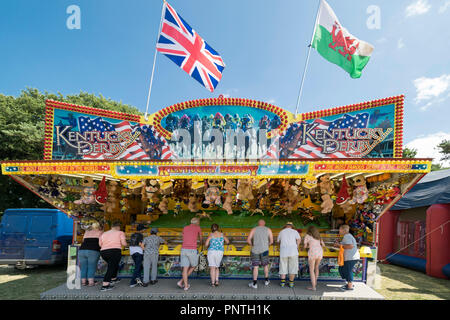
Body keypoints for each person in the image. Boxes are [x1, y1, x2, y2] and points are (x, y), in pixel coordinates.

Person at [99, 221, 127, 291]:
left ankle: (113, 278)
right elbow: (124, 243)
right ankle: (105, 285)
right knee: (111, 267)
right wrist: (127, 244)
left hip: (103, 252)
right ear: (118, 227)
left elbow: (100, 244)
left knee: (114, 265)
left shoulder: (104, 233)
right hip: (114, 251)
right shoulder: (120, 233)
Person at [177, 218, 203, 291]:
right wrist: (201, 244)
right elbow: (201, 238)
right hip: (192, 249)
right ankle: (181, 281)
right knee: (194, 266)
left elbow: (184, 237)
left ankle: (185, 286)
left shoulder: (185, 228)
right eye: (199, 222)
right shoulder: (198, 228)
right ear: (197, 222)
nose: (199, 223)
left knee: (185, 268)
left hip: (184, 249)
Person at [247, 219, 273, 289]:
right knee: (265, 265)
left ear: (258, 224)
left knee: (256, 267)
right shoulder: (268, 229)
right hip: (265, 250)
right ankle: (267, 281)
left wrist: (252, 245)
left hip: (255, 250)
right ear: (264, 224)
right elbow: (271, 241)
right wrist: (266, 245)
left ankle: (254, 283)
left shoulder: (254, 229)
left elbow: (248, 240)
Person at [335, 224, 360, 291]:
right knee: (344, 270)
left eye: (340, 229)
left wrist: (339, 245)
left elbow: (350, 246)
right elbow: (346, 245)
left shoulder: (346, 236)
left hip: (350, 257)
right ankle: (349, 283)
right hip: (351, 257)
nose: (339, 231)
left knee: (348, 271)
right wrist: (339, 244)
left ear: (344, 230)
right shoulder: (347, 236)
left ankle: (350, 286)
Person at [277, 222, 301, 288]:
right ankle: (291, 283)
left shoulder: (281, 232)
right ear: (292, 226)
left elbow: (278, 241)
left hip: (283, 252)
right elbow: (299, 239)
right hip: (293, 252)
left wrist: (278, 248)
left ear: (286, 226)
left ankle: (282, 283)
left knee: (283, 266)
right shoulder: (295, 231)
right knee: (293, 268)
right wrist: (297, 246)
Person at [78, 222, 103, 286]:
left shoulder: (87, 232)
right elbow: (101, 243)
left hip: (82, 250)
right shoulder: (100, 232)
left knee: (83, 266)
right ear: (99, 226)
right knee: (92, 266)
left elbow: (83, 240)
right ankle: (91, 282)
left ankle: (83, 282)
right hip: (93, 250)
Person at [304, 225, 325, 291]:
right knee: (316, 267)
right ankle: (315, 283)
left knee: (311, 270)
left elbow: (305, 246)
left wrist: (309, 246)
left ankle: (313, 287)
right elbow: (323, 245)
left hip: (313, 252)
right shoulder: (318, 236)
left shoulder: (307, 236)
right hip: (319, 251)